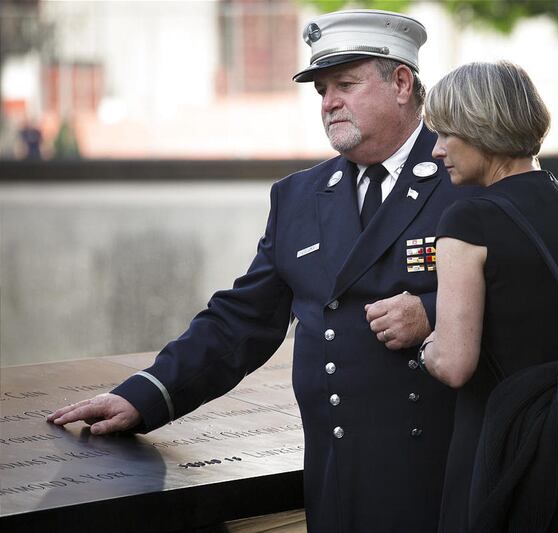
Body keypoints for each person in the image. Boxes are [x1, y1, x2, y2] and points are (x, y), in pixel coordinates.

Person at [47, 10, 472, 533]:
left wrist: (433, 312)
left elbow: (536, 290)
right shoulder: (299, 196)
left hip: (442, 477)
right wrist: (145, 393)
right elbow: (241, 321)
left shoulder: (464, 174)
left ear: (402, 83)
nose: (329, 103)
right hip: (336, 476)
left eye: (345, 84)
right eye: (321, 90)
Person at [419, 61, 558, 532]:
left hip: (498, 459)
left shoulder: (468, 222)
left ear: (480, 128)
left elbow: (454, 363)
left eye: (447, 134)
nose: (437, 150)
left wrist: (425, 341)